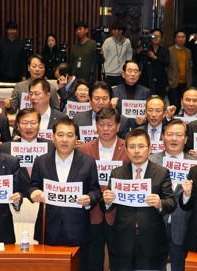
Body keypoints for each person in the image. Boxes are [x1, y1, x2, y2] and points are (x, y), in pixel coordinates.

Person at [28, 118, 101, 271]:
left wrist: (90, 199)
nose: (65, 140)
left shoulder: (88, 162)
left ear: (76, 139)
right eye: (60, 135)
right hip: (47, 228)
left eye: (69, 135)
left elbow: (95, 191)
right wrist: (34, 192)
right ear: (53, 137)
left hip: (78, 229)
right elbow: (32, 186)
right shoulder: (41, 162)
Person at [102, 129, 176, 270]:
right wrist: (106, 201)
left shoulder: (161, 172)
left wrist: (160, 203)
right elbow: (107, 207)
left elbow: (171, 203)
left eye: (141, 146)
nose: (136, 151)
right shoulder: (117, 173)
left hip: (152, 241)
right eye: (132, 147)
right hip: (122, 240)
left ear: (150, 149)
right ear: (127, 150)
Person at [76, 107, 129, 271]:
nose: (105, 129)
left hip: (120, 215)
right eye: (102, 124)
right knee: (93, 262)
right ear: (96, 126)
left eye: (110, 124)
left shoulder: (129, 149)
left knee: (119, 263)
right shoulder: (83, 150)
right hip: (92, 214)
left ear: (118, 126)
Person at [148, 118, 197, 271]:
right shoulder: (151, 161)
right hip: (153, 226)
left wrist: (188, 194)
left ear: (186, 139)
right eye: (169, 134)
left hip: (182, 228)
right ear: (163, 137)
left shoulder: (196, 165)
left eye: (179, 135)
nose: (174, 139)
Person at [0, 108, 55, 199]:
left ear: (39, 125)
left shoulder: (51, 146)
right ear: (17, 125)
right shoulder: (5, 148)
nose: (29, 127)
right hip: (15, 198)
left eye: (33, 123)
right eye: (24, 123)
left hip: (44, 198)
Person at [135, 27, 170, 99]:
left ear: (161, 38)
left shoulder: (165, 50)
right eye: (154, 36)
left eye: (158, 36)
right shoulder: (146, 48)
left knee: (160, 100)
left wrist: (155, 57)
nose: (156, 38)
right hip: (146, 79)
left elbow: (167, 62)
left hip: (160, 80)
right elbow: (137, 60)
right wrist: (138, 51)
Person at [167, 29, 192, 113]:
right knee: (175, 105)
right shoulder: (170, 50)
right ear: (175, 39)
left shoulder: (188, 51)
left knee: (185, 105)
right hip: (173, 82)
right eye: (179, 37)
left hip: (185, 83)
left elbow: (189, 68)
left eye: (183, 37)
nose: (181, 39)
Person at [102, 20, 133, 87]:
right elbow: (103, 57)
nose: (112, 31)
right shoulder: (107, 41)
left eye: (114, 30)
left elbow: (129, 57)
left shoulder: (127, 42)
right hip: (108, 73)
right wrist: (103, 72)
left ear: (121, 31)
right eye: (112, 30)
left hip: (120, 74)